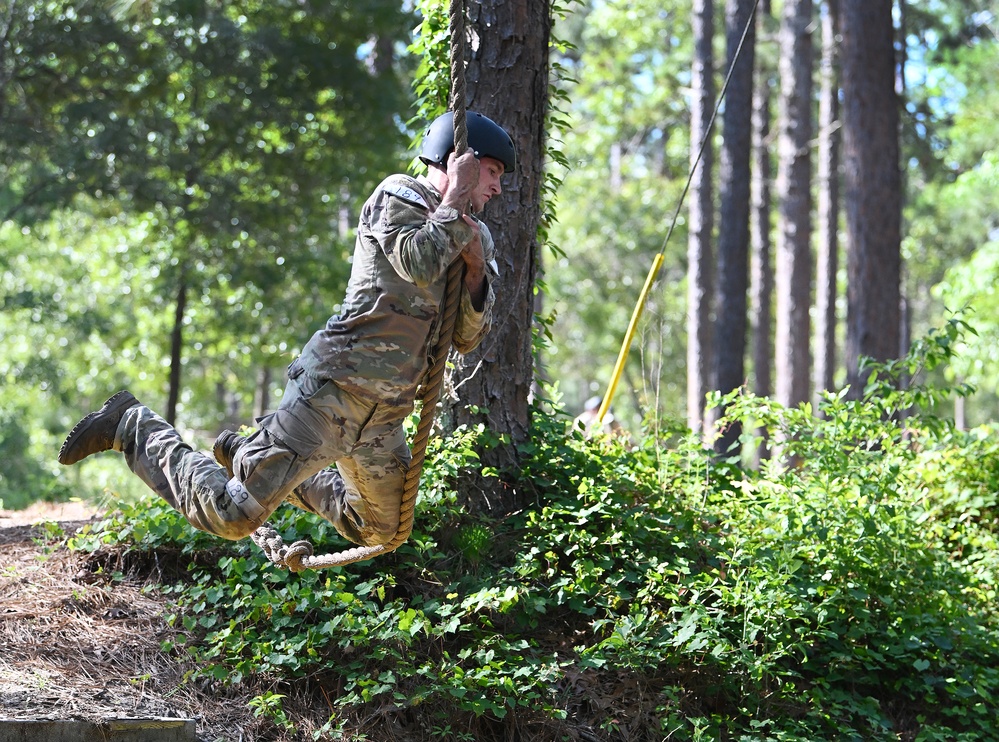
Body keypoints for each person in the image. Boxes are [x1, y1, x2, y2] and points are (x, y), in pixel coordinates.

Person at [58, 111, 516, 548]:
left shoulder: (475, 236)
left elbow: (466, 338)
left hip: (384, 416)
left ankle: (250, 455)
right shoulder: (399, 196)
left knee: (378, 529)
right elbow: (418, 263)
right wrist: (454, 203)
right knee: (231, 515)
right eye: (492, 171)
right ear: (460, 162)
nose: (497, 187)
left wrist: (476, 271)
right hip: (329, 395)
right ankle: (132, 426)